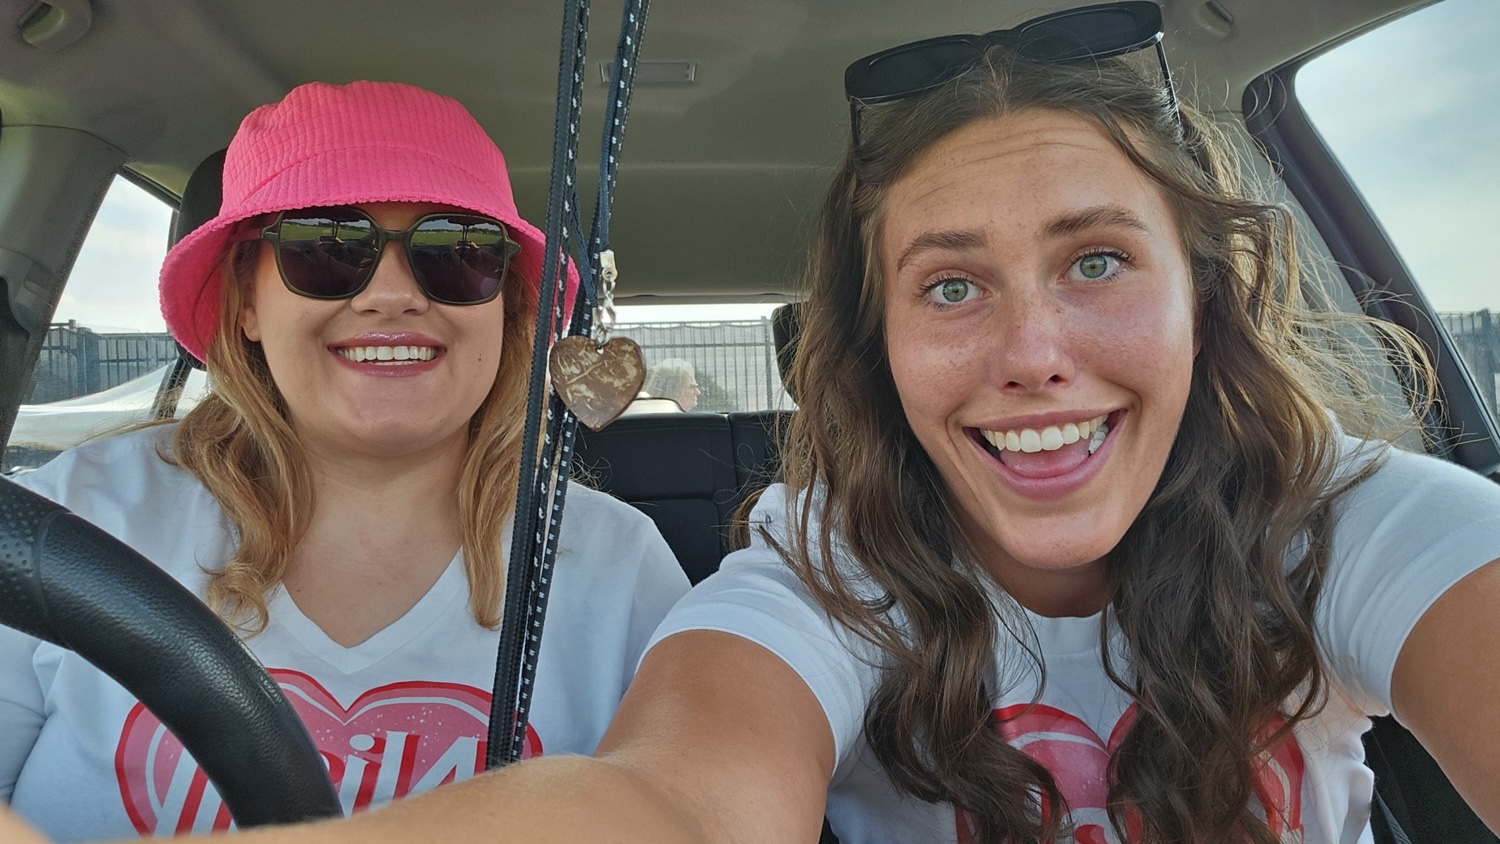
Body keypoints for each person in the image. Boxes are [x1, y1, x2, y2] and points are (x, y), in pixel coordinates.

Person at [9, 10, 1500, 844]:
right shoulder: (821, 568)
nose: (1034, 352)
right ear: (242, 300)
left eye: (1098, 261)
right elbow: (678, 807)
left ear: (1208, 298)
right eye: (953, 284)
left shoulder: (1362, 522)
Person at [0, 80, 688, 841]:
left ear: (506, 307)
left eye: (457, 253)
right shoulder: (75, 519)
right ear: (249, 301)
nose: (391, 296)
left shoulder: (618, 568)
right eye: (325, 247)